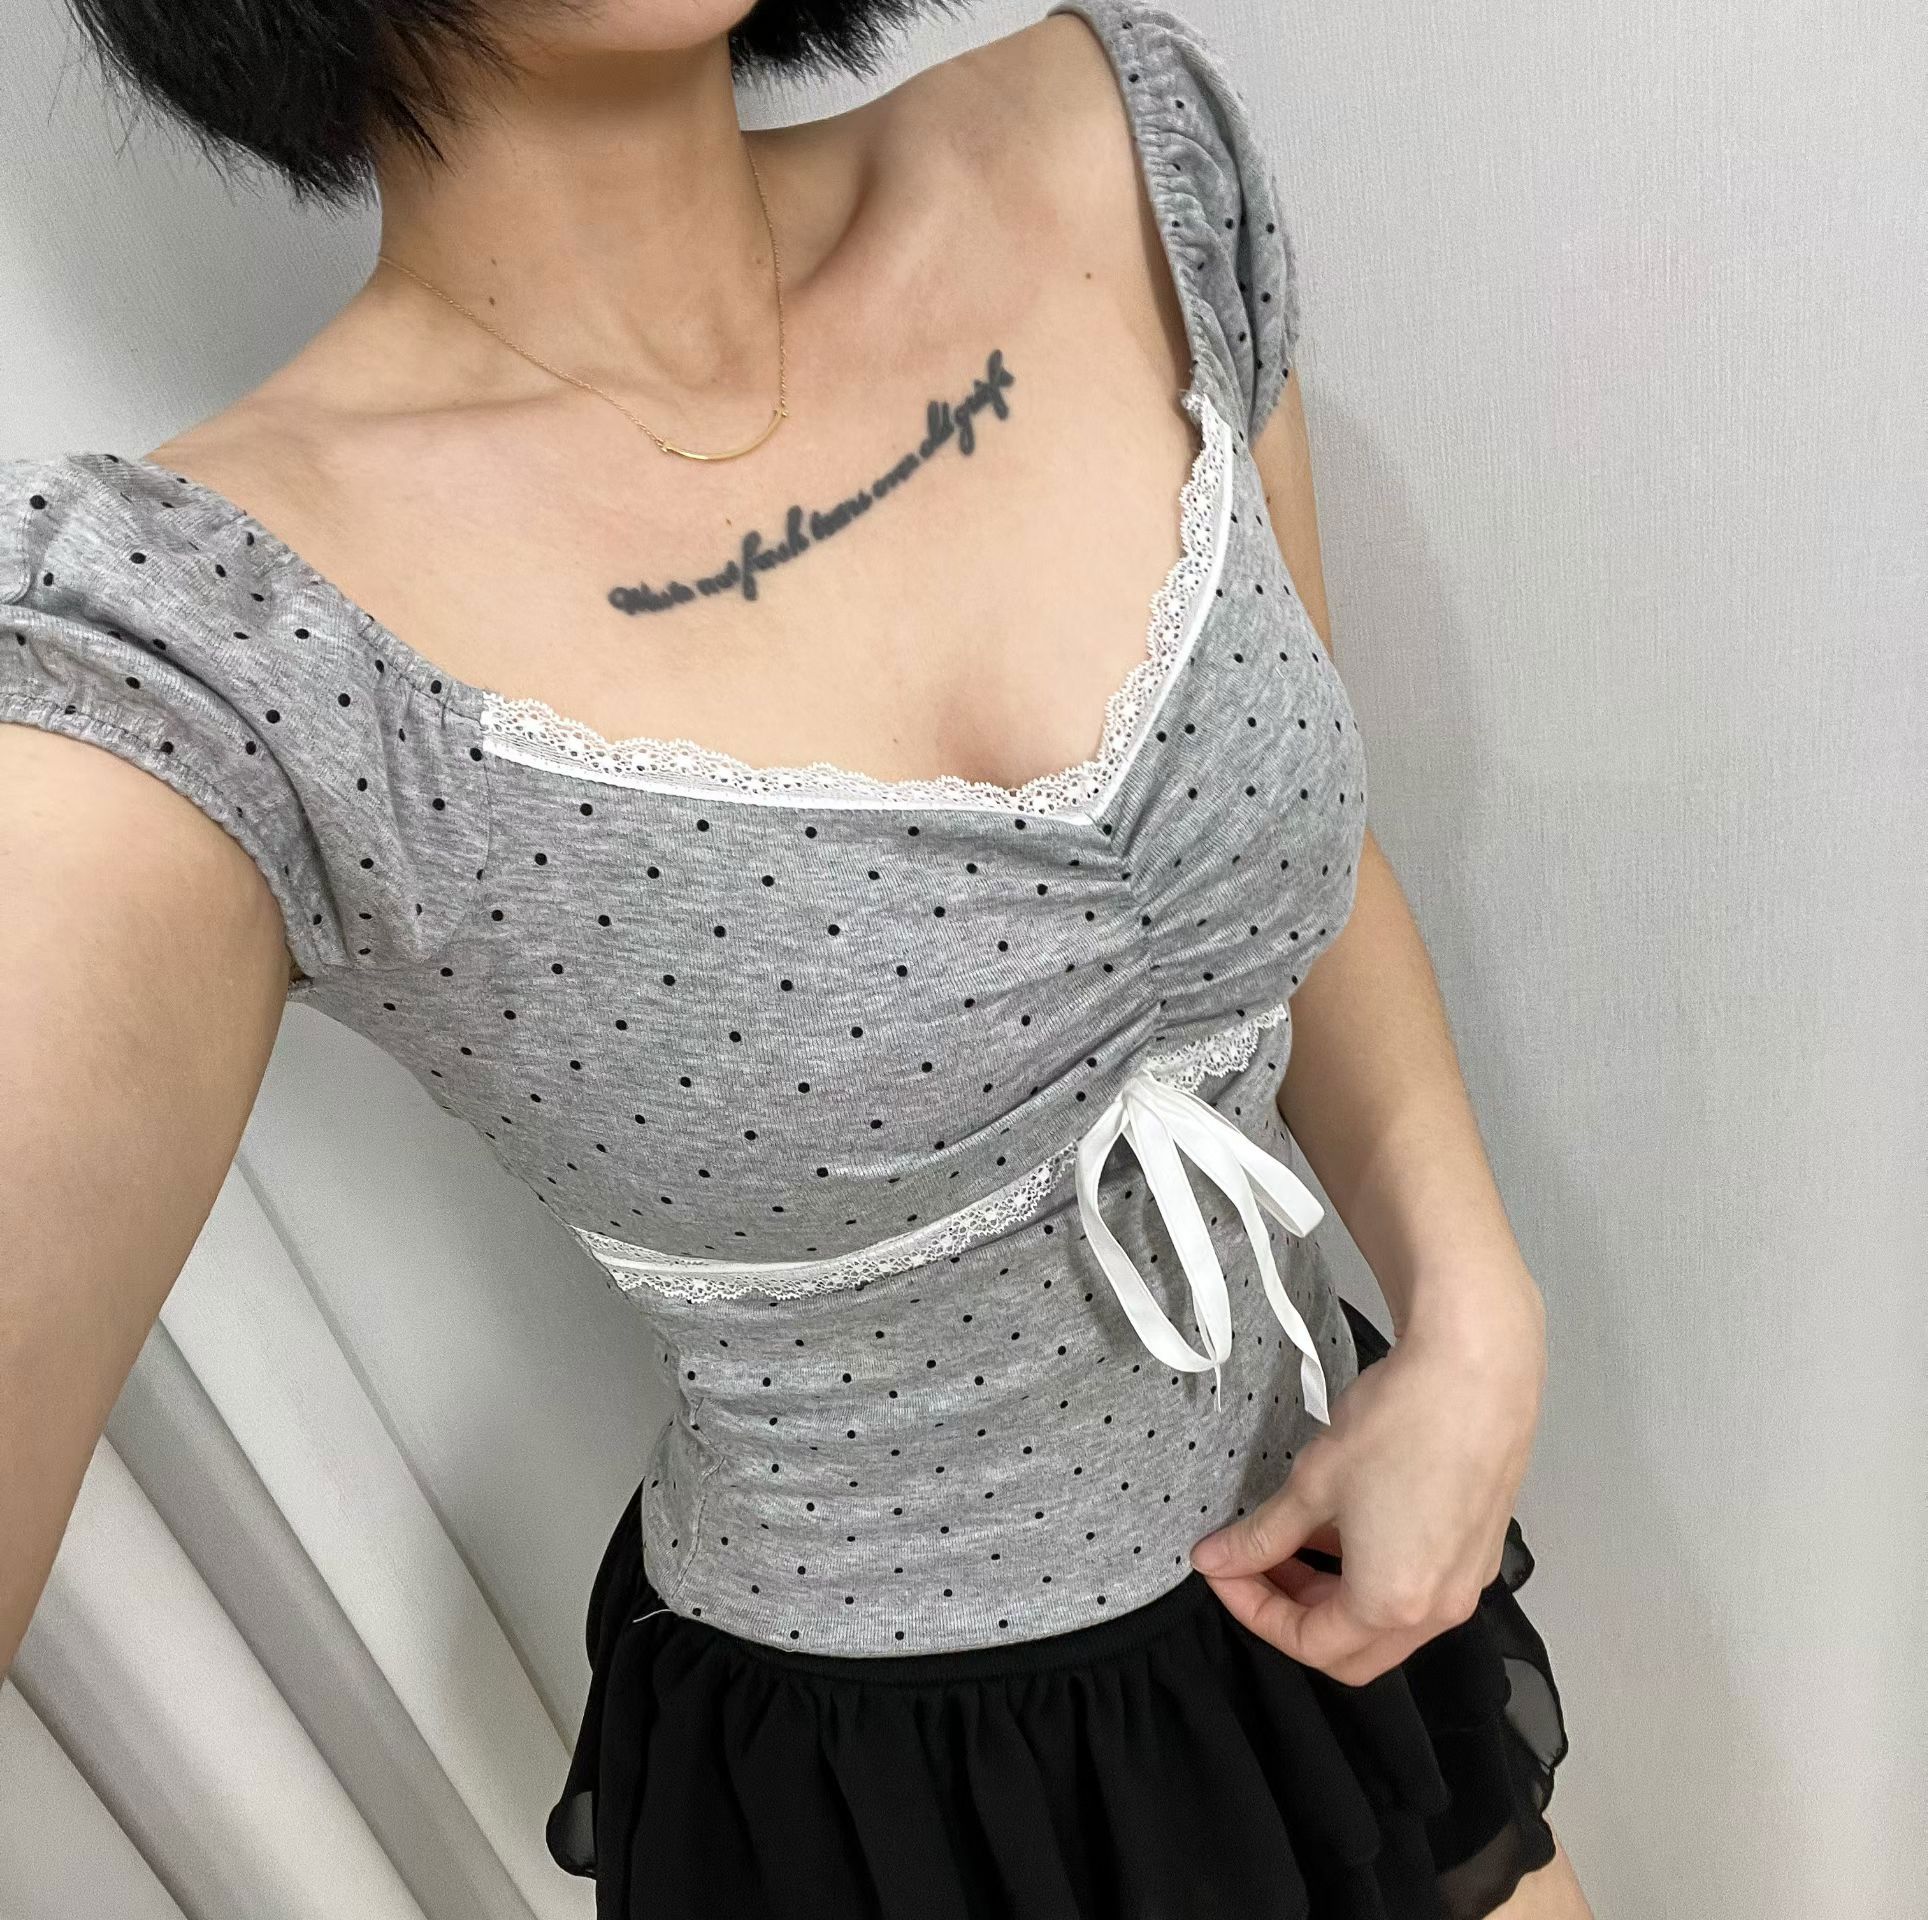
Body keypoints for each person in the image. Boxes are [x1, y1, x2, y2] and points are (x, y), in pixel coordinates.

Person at [0, 0, 1592, 1912]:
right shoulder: (204, 655)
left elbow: (1308, 858)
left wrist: (1472, 1307)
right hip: (909, 1817)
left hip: (1336, 1574)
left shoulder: (1121, 150)